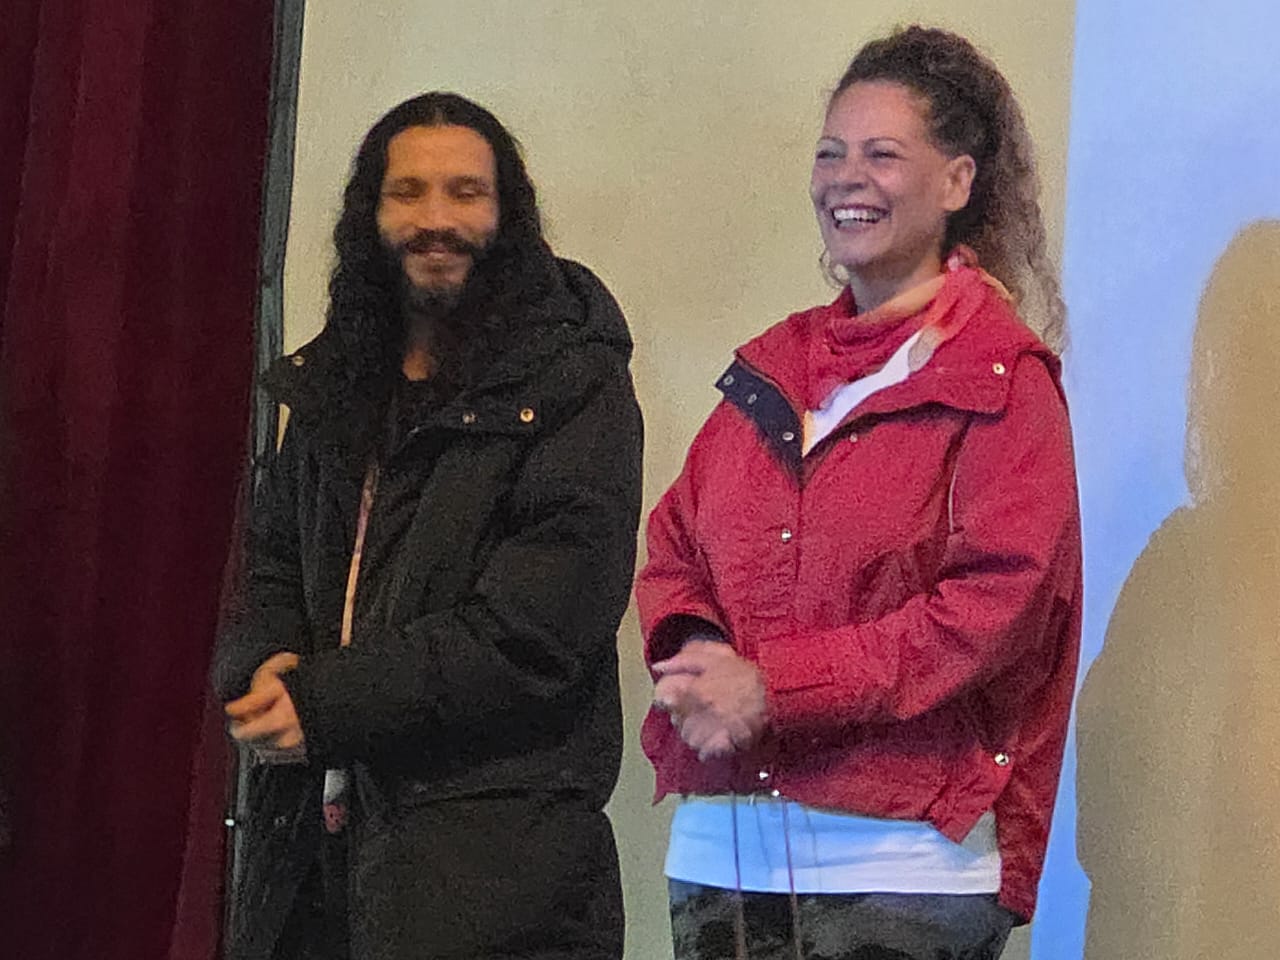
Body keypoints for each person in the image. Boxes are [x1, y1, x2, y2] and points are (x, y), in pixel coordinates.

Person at [638, 26, 1081, 960]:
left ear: (957, 182)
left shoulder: (1004, 379)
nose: (847, 178)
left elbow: (986, 614)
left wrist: (774, 688)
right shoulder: (774, 365)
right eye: (830, 153)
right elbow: (676, 545)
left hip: (905, 868)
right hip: (722, 856)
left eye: (882, 154)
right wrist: (701, 655)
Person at [213, 92, 642, 960]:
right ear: (368, 215)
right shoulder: (338, 379)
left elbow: (534, 634)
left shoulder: (575, 383)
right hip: (311, 865)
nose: (435, 219)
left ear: (508, 213)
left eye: (465, 192)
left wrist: (324, 704)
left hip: (495, 881)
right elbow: (272, 563)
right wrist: (262, 663)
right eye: (407, 192)